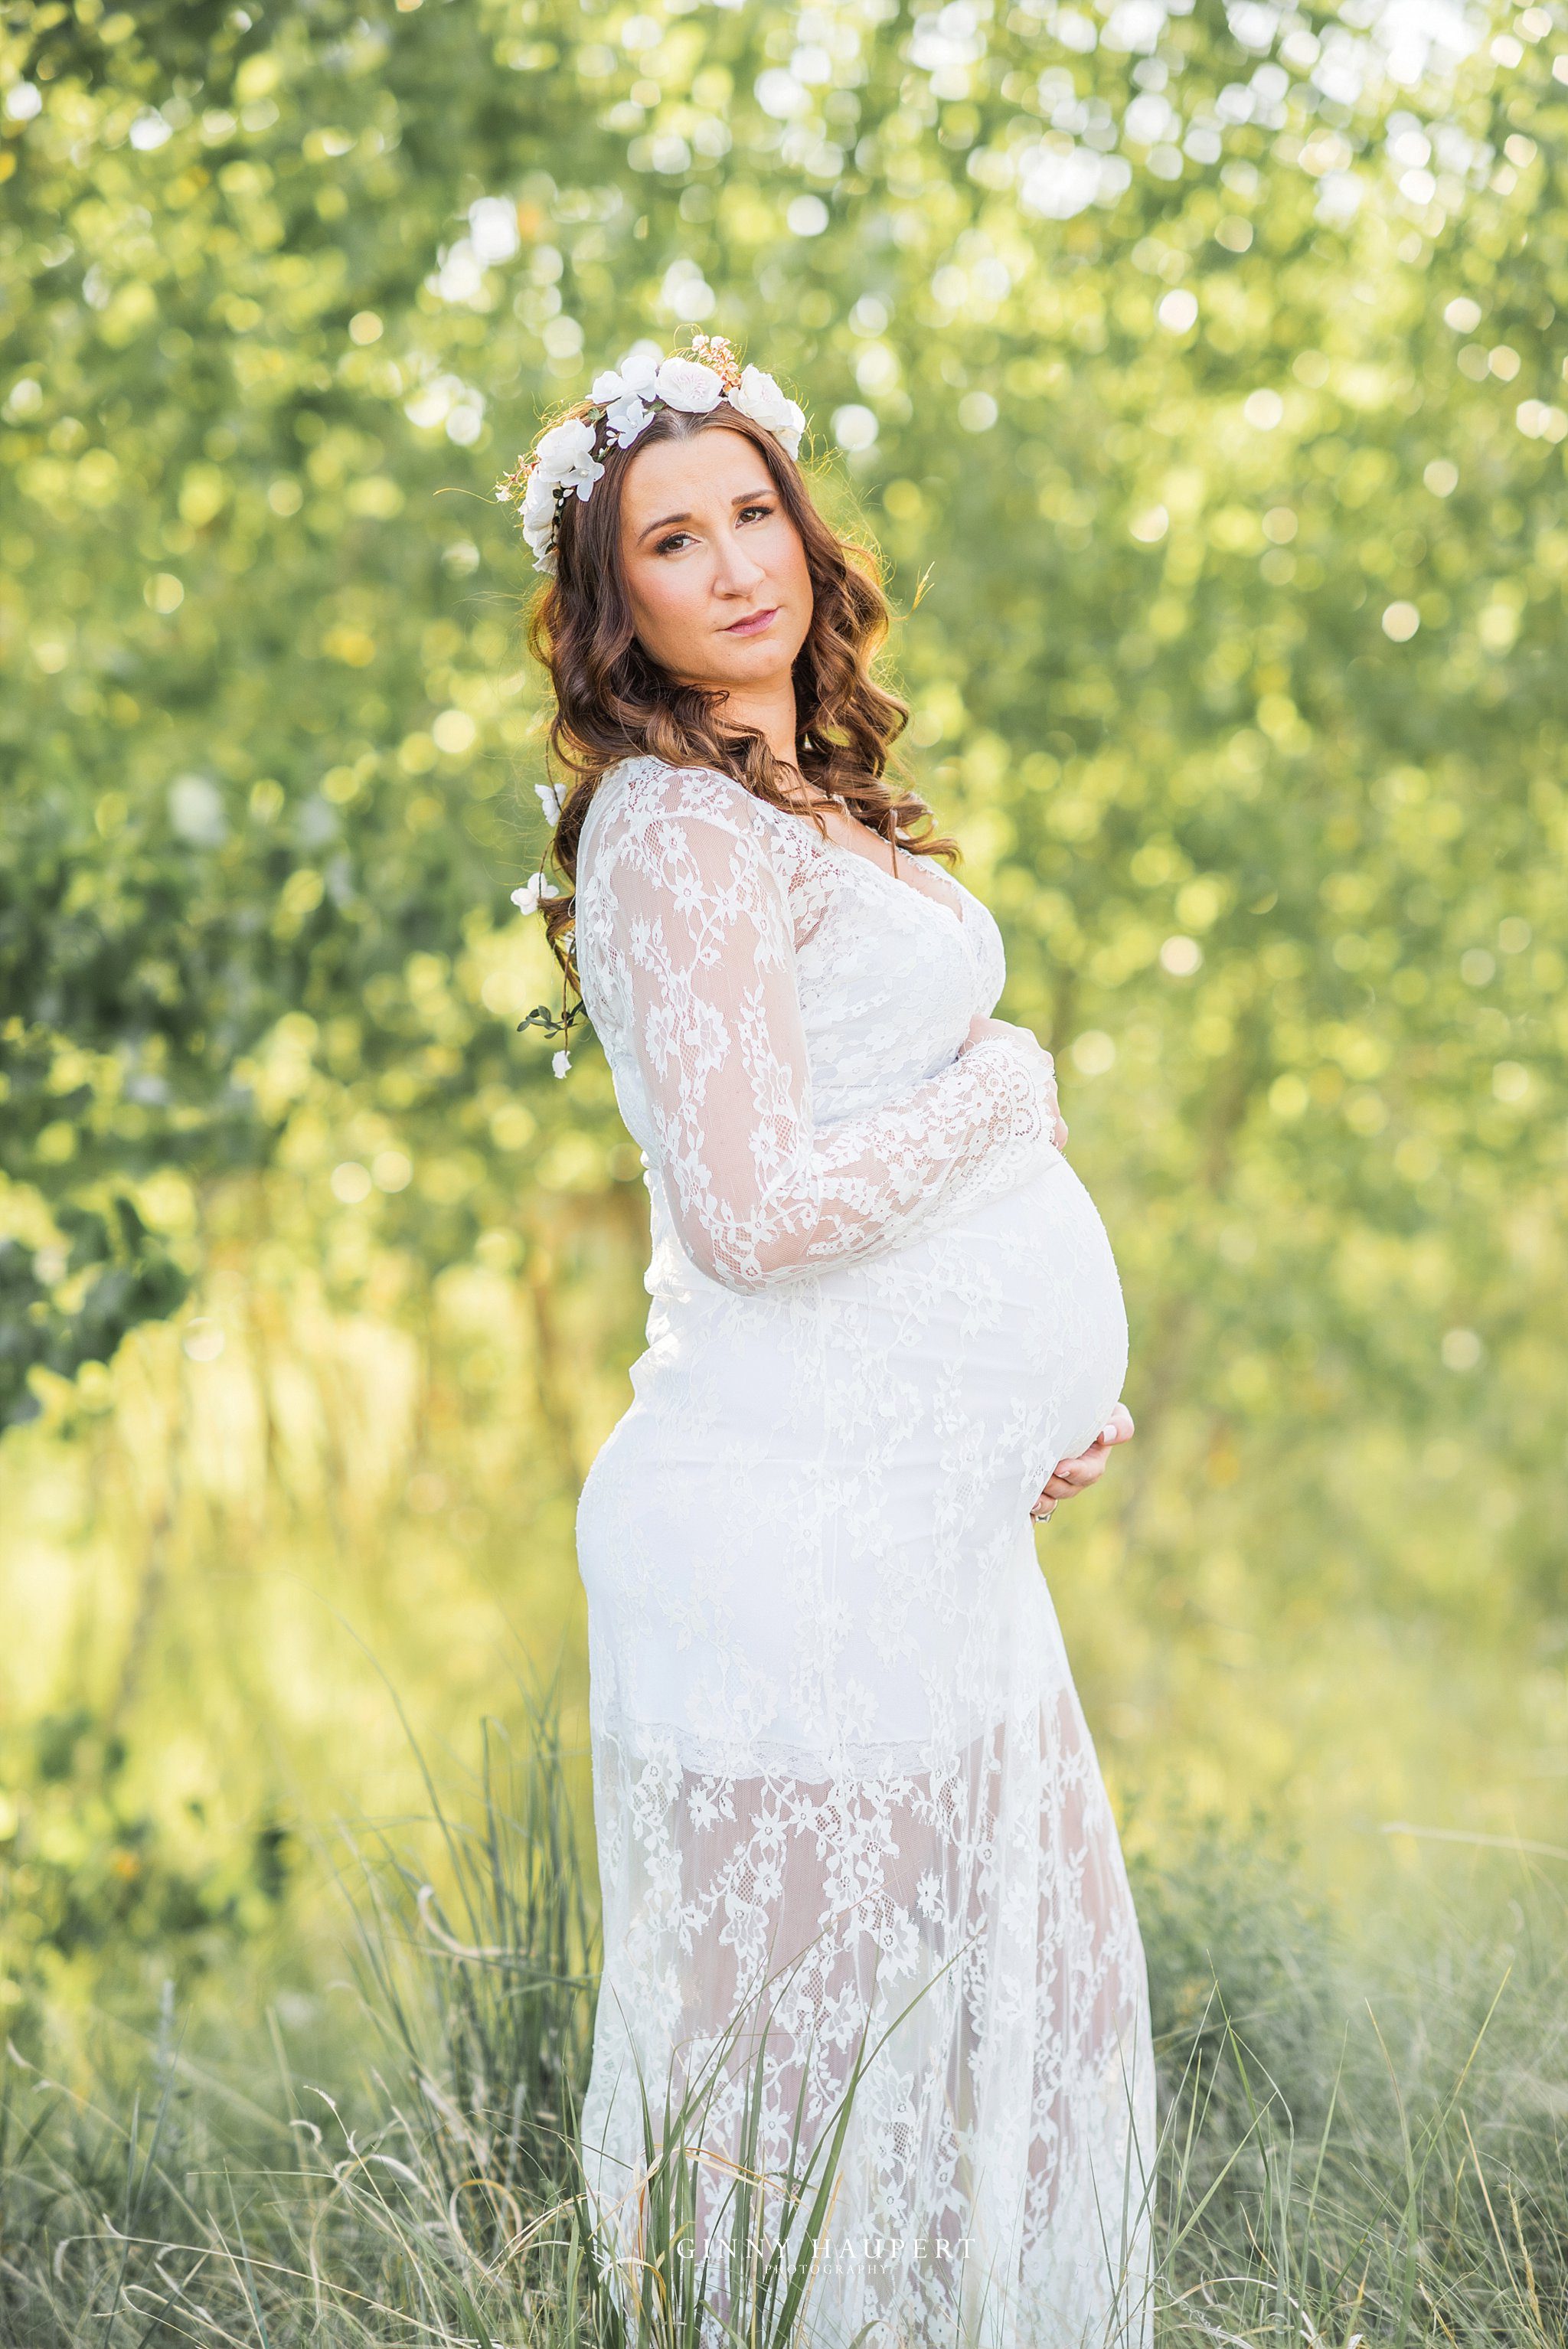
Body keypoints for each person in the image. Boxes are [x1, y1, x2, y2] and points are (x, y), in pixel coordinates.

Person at [498, 335, 1155, 2349]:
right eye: (671, 542)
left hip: (907, 1520)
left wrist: (1028, 1397)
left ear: (805, 530)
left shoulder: (809, 802)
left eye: (751, 515)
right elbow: (755, 1214)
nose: (733, 567)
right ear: (615, 600)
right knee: (794, 2112)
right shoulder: (674, 832)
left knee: (980, 2032)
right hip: (776, 1535)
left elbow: (877, 1164)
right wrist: (1013, 1089)